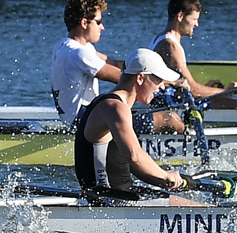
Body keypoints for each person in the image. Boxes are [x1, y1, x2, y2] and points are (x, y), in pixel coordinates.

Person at [74, 48, 212, 202]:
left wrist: (164, 180)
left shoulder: (110, 104)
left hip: (121, 194)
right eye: (158, 80)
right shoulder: (115, 108)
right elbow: (135, 156)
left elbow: (132, 165)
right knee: (205, 212)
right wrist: (166, 175)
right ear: (140, 78)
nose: (162, 87)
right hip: (109, 201)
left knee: (193, 205)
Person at [155, 0, 237, 109]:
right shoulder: (170, 46)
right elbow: (193, 90)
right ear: (180, 16)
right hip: (172, 108)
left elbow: (181, 86)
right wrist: (227, 91)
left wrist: (208, 88)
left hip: (175, 101)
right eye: (194, 19)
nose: (196, 24)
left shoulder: (162, 38)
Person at [51, 0, 125, 126]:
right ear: (84, 23)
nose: (102, 27)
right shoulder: (78, 54)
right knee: (168, 118)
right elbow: (121, 77)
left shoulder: (65, 45)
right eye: (98, 22)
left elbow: (113, 63)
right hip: (81, 123)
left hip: (79, 118)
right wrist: (165, 82)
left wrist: (150, 68)